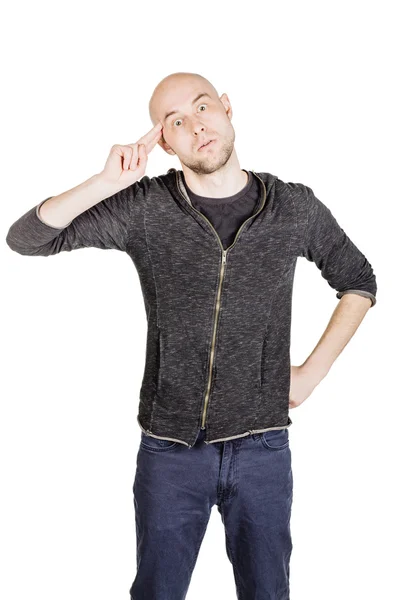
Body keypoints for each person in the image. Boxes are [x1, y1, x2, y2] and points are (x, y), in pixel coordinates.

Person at [6, 71, 377, 600]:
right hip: (170, 450)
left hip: (263, 446)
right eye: (174, 122)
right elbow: (27, 239)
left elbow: (359, 281)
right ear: (164, 141)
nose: (194, 126)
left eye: (201, 108)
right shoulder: (145, 209)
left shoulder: (293, 207)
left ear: (226, 108)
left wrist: (311, 374)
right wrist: (107, 182)